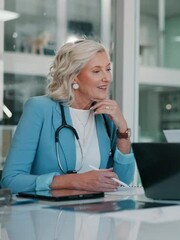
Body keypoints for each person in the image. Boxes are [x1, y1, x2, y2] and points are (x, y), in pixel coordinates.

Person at [1, 39, 135, 193]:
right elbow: (11, 180)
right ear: (74, 76)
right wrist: (75, 181)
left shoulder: (105, 116)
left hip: (97, 213)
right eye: (97, 71)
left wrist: (122, 129)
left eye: (108, 69)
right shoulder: (39, 109)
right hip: (48, 214)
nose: (107, 78)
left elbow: (123, 182)